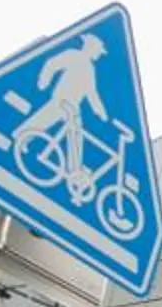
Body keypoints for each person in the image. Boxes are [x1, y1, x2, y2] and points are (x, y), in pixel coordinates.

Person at [13, 32, 107, 205]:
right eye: (97, 51)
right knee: (51, 123)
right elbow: (52, 64)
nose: (97, 55)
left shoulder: (89, 68)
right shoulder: (74, 56)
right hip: (63, 99)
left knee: (70, 130)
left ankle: (73, 169)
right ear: (91, 48)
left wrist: (100, 111)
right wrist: (44, 80)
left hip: (72, 105)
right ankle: (73, 169)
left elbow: (91, 92)